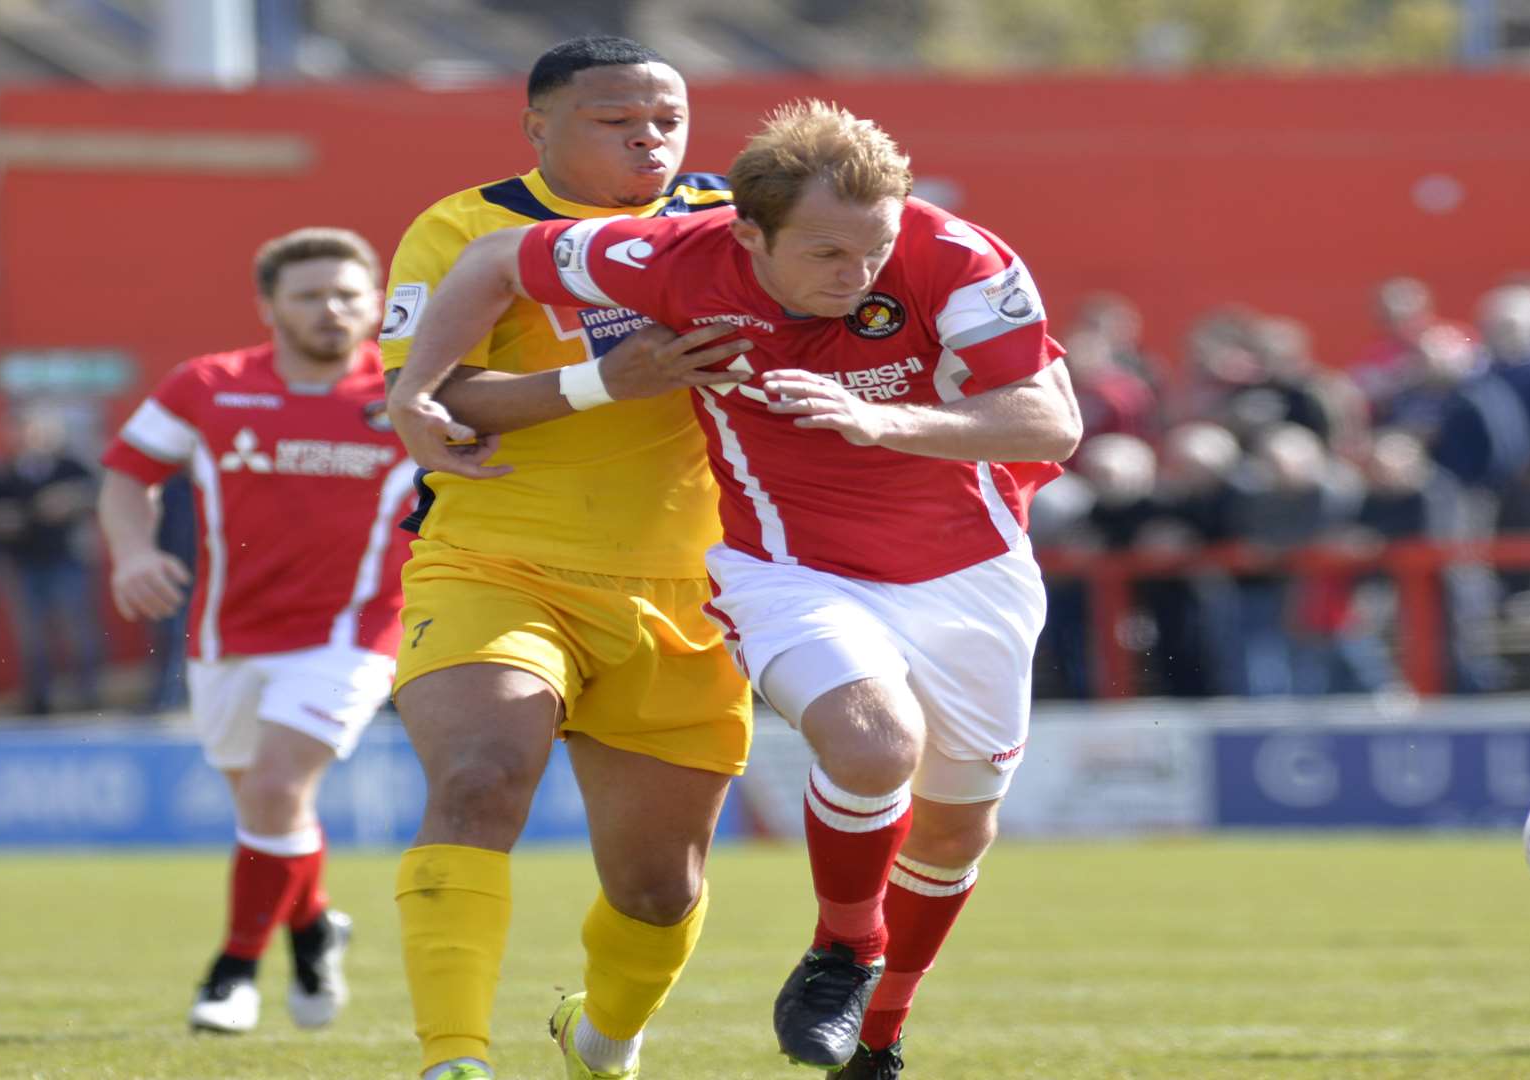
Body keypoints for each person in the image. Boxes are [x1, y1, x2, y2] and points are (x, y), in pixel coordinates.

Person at [389, 99, 1083, 1079]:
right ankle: (845, 948)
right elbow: (497, 262)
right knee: (874, 744)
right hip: (785, 568)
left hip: (968, 570)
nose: (861, 276)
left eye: (876, 247)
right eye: (827, 256)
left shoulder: (960, 256)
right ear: (747, 235)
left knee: (958, 819)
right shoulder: (672, 257)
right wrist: (419, 388)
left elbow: (1049, 424)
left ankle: (879, 1034)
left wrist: (888, 424)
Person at [376, 36, 754, 1080]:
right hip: (499, 560)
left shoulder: (733, 220)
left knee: (659, 890)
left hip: (689, 585)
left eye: (668, 120)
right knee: (480, 777)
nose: (650, 138)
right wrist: (601, 384)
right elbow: (433, 399)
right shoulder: (466, 227)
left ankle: (599, 1039)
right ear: (537, 125)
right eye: (616, 119)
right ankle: (452, 1061)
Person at [98, 227, 410, 1034]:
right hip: (226, 638)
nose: (331, 309)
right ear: (268, 307)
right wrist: (131, 553)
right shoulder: (208, 384)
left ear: (377, 302)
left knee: (275, 790)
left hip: (354, 632)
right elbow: (129, 474)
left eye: (347, 294)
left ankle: (232, 972)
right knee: (272, 811)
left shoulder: (412, 389)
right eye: (308, 295)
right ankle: (313, 929)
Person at [0, 408, 103, 714]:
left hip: (66, 560)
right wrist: (1, 519)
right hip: (22, 563)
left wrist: (72, 499)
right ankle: (39, 700)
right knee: (31, 635)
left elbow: (101, 492)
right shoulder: (3, 473)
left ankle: (87, 697)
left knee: (77, 630)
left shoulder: (71, 467)